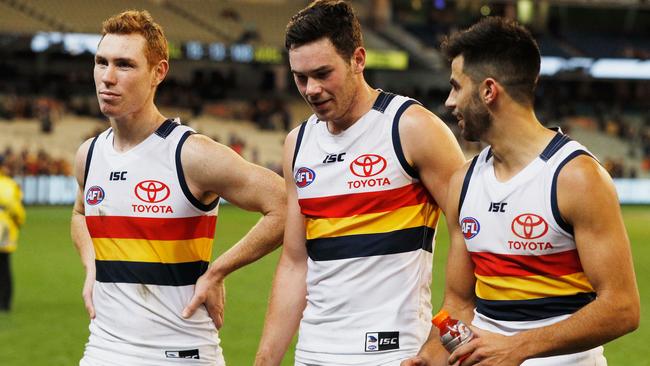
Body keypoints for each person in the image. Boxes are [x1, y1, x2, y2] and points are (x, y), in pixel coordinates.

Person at [402, 17, 640, 366]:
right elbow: (458, 304)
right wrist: (430, 356)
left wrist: (518, 347)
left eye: (456, 86)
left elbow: (622, 308)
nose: (450, 102)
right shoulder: (463, 182)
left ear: (488, 91)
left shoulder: (576, 177)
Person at [255, 1, 465, 365]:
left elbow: (474, 233)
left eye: (323, 73)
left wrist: (444, 334)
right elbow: (294, 263)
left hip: (393, 352)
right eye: (300, 77)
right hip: (314, 352)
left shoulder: (411, 128)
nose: (311, 89)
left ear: (358, 59)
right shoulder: (298, 144)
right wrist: (265, 358)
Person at [70, 10, 286, 365]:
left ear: (159, 72)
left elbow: (283, 204)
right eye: (101, 62)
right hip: (103, 349)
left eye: (124, 65)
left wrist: (217, 271)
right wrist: (91, 264)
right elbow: (80, 214)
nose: (107, 77)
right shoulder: (89, 154)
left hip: (179, 352)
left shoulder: (190, 153)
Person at [0, 167, 26, 312]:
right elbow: (16, 208)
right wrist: (20, 220)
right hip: (4, 227)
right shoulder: (9, 184)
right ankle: (5, 302)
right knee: (4, 265)